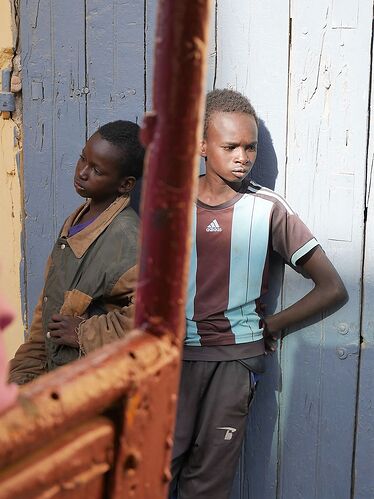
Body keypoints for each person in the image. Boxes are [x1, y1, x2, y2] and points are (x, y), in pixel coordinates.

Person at [169, 89, 348, 499]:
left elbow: (332, 287)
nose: (242, 157)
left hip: (235, 363)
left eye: (249, 147)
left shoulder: (267, 208)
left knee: (207, 485)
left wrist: (271, 326)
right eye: (229, 146)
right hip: (171, 361)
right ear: (201, 146)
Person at [9, 120, 144, 385]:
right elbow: (46, 313)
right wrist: (22, 378)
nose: (82, 172)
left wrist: (84, 332)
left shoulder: (127, 239)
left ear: (125, 184)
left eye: (97, 170)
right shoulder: (76, 221)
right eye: (83, 158)